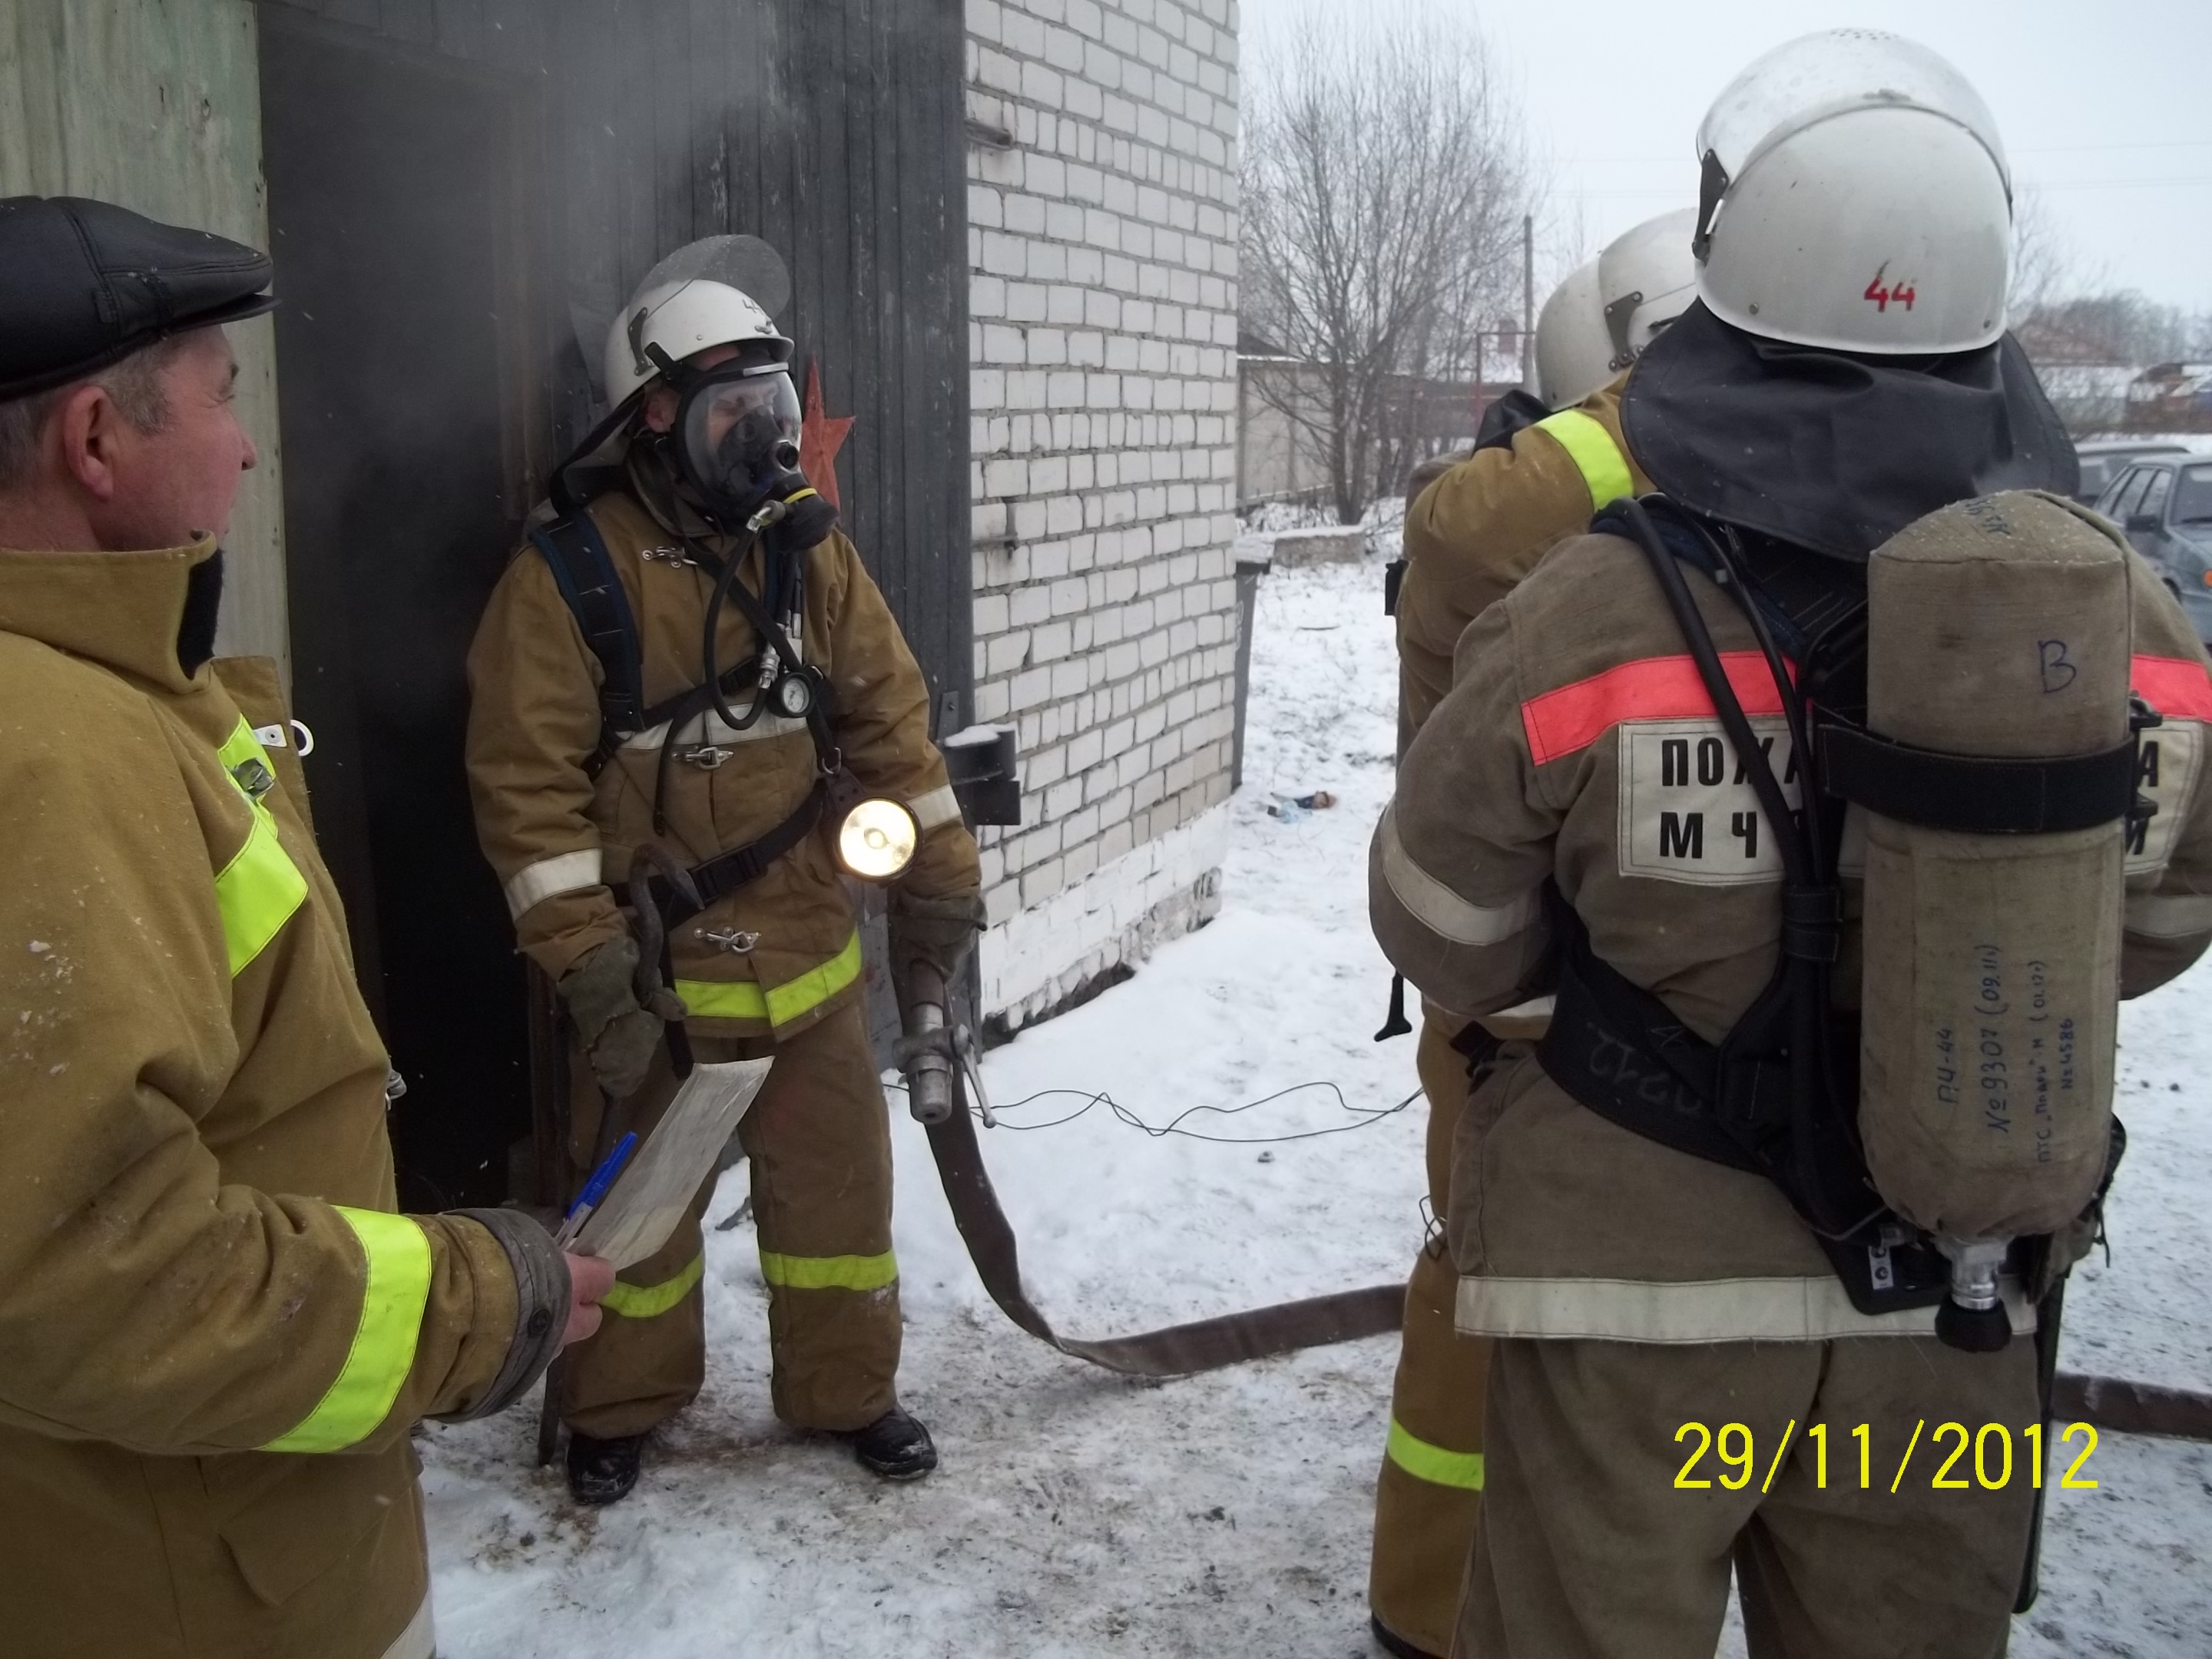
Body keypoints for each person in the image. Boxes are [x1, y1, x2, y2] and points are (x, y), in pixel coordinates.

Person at [1370, 31, 2212, 1659]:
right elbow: (2173, 912)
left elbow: (1439, 914)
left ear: (1734, 284)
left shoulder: (1592, 611)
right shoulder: (2136, 624)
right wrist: (1981, 998)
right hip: (1951, 1314)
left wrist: (1594, 1015)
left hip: (1638, 1318)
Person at [0, 195, 608, 1659]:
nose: (251, 444)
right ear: (97, 440)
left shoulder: (118, 704)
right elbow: (93, 1275)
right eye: (221, 398)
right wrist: (474, 1300)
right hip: (198, 1596)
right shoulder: (54, 756)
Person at [466, 245, 985, 1505]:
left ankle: (846, 1394)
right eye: (730, 413)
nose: (766, 440)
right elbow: (525, 799)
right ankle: (619, 1410)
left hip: (809, 961)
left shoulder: (808, 559)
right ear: (652, 417)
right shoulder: (568, 580)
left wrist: (942, 880)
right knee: (639, 1229)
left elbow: (893, 728)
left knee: (837, 1216)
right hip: (659, 988)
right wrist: (594, 976)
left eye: (776, 408)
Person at [1366, 210, 1697, 1659]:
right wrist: (1693, 394)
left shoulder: (1709, 542)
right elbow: (1468, 533)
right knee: (1487, 1293)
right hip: (1522, 1004)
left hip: (1671, 974)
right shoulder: (1513, 542)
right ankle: (1430, 1610)